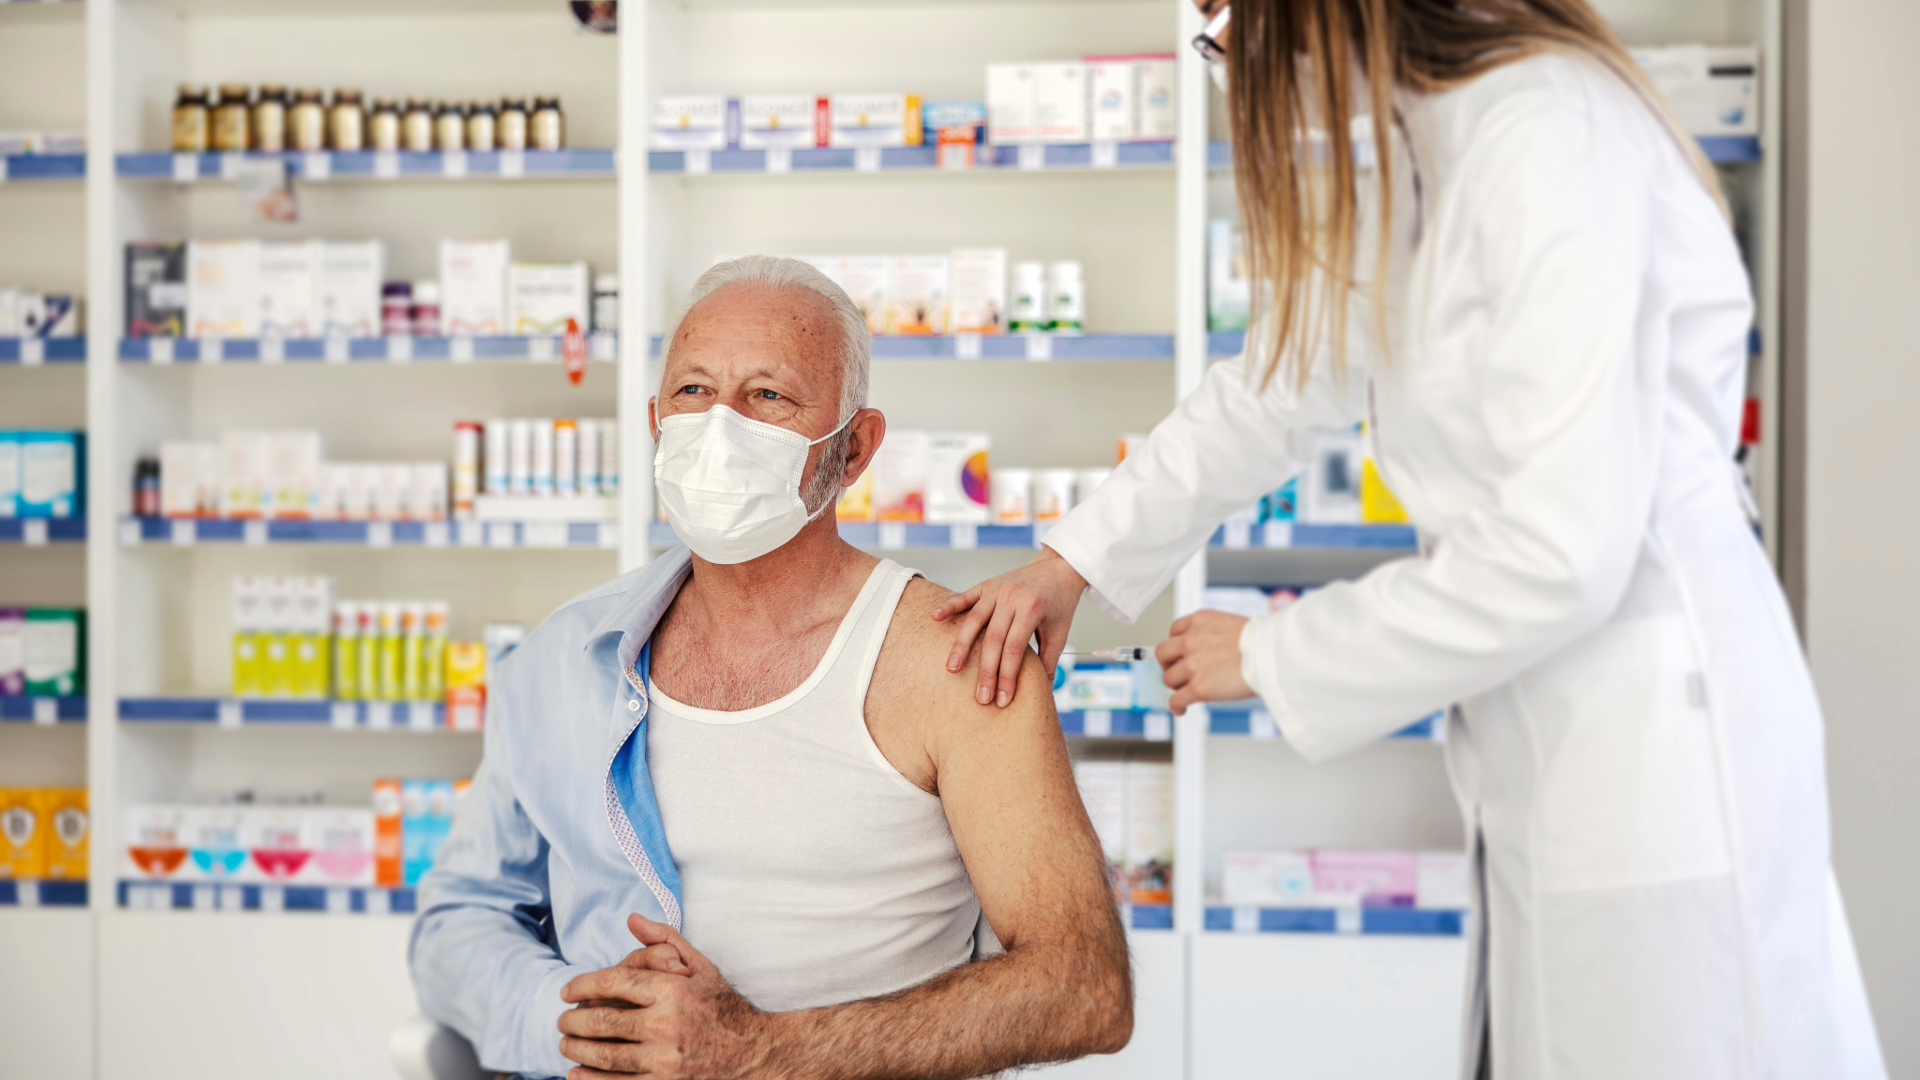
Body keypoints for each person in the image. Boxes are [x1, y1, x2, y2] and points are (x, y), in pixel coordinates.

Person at [935, 2, 1888, 1078]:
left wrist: (1270, 654)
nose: (1233, 64)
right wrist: (1075, 565)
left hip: (1654, 739)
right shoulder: (1418, 145)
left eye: (1228, 25)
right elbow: (1277, 384)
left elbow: (1559, 549)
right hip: (1551, 741)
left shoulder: (1545, 131)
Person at [411, 256, 1131, 1079]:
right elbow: (459, 918)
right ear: (654, 422)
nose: (719, 427)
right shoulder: (562, 661)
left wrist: (754, 1052)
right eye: (692, 393)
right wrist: (584, 1024)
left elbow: (1086, 987)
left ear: (854, 449)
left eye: (768, 397)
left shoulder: (955, 663)